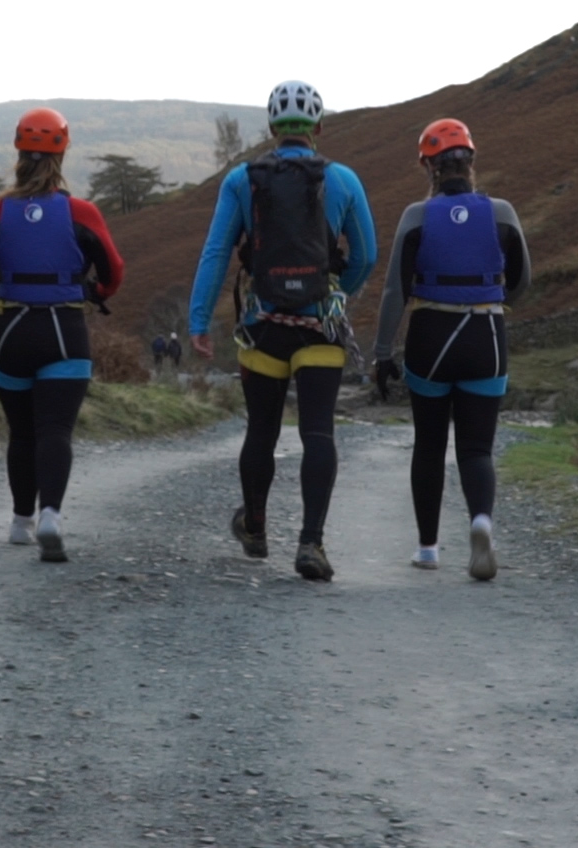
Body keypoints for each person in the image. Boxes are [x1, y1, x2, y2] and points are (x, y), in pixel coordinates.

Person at [189, 80, 376, 581]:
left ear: (272, 128)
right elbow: (366, 256)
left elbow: (215, 253)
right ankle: (311, 543)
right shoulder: (344, 180)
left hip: (263, 327)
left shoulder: (241, 180)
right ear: (318, 127)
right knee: (318, 432)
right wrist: (336, 291)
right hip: (319, 328)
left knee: (261, 432)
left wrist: (198, 321)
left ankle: (254, 527)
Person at [0, 107, 123, 563]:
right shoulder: (83, 212)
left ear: (18, 151)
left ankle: (20, 523)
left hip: (11, 330)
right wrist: (97, 290)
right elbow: (115, 270)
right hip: (64, 329)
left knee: (21, 431)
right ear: (63, 152)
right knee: (55, 428)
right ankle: (50, 514)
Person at [370, 119, 531, 580]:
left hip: (430, 336)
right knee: (477, 449)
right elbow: (522, 282)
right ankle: (480, 521)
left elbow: (393, 293)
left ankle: (427, 549)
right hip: (486, 335)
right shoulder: (502, 213)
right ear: (471, 162)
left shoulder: (416, 217)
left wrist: (383, 354)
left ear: (429, 167)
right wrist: (495, 305)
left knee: (429, 445)